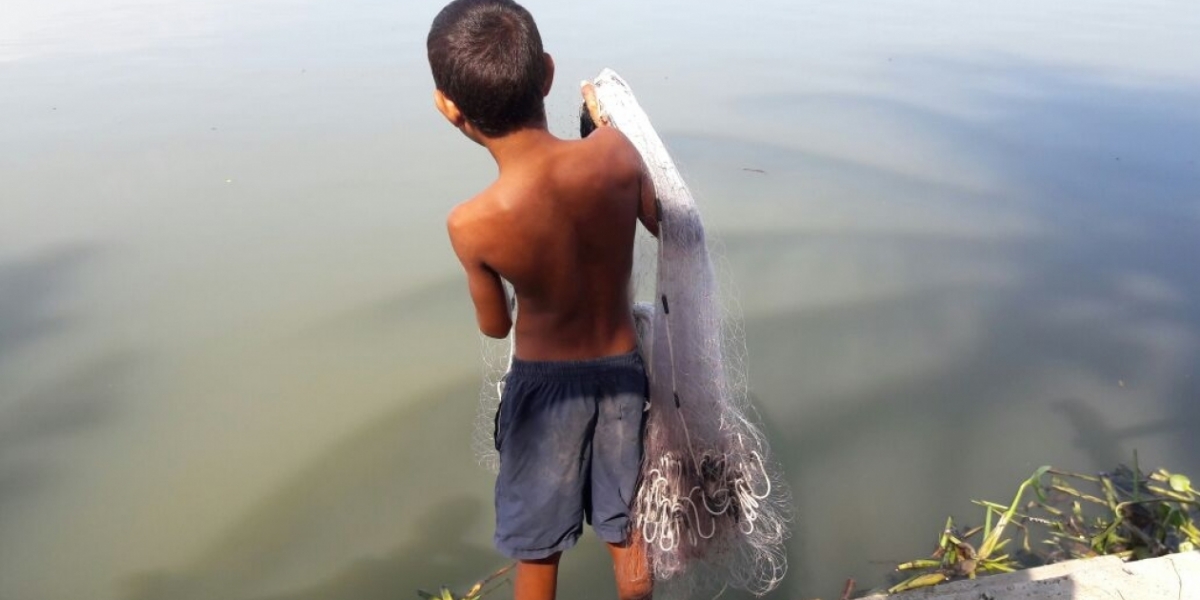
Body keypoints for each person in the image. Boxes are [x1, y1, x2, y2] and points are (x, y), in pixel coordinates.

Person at [426, 1, 659, 599]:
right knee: (624, 526)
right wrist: (605, 134)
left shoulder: (472, 222)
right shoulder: (616, 154)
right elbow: (663, 221)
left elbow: (496, 327)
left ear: (448, 108)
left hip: (544, 390)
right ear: (548, 73)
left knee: (537, 550)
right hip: (624, 377)